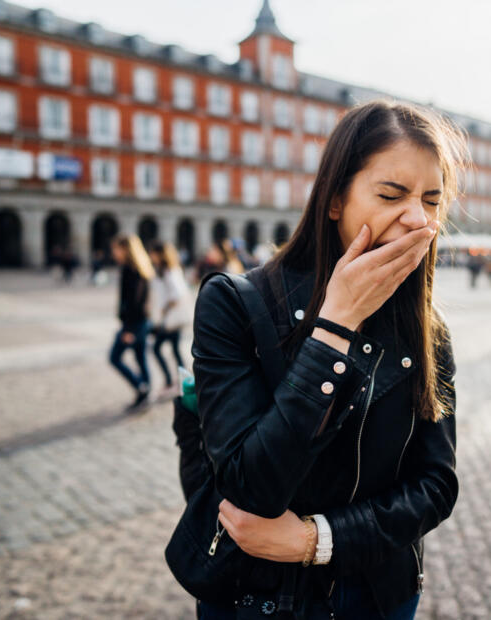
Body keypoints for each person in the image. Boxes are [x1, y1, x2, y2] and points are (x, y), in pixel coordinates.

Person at [189, 100, 466, 620]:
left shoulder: (428, 329)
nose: (418, 218)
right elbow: (250, 485)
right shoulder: (233, 303)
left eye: (432, 200)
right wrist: (334, 325)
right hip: (256, 599)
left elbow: (436, 483)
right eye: (391, 194)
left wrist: (318, 539)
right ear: (335, 199)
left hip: (380, 595)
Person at [108, 234, 155, 410]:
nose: (114, 252)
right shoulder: (142, 268)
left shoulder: (130, 270)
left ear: (125, 249)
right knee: (140, 357)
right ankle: (146, 392)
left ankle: (140, 387)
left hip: (134, 324)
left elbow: (134, 302)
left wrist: (128, 329)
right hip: (142, 321)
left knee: (114, 357)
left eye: (116, 249)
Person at [149, 241, 191, 398]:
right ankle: (182, 381)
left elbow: (177, 294)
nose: (151, 256)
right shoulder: (165, 270)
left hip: (171, 319)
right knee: (174, 350)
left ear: (160, 254)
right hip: (169, 319)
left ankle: (173, 382)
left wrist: (164, 310)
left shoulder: (168, 271)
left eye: (153, 253)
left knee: (158, 348)